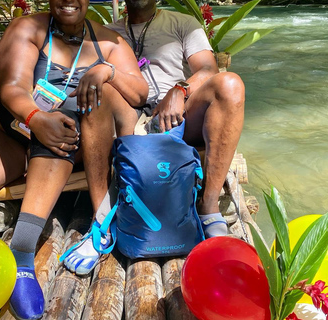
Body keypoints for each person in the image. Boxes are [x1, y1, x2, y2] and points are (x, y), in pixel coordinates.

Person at [0, 0, 148, 319]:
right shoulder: (28, 28)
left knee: (77, 119)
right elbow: (12, 87)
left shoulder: (108, 43)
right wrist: (35, 117)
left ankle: (22, 249)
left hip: (76, 142)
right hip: (16, 132)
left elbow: (139, 95)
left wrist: (108, 70)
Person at [63, 0, 245, 275]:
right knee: (98, 91)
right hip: (129, 115)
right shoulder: (107, 34)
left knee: (230, 85)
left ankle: (208, 209)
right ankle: (100, 221)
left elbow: (208, 70)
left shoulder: (182, 23)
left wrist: (180, 90)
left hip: (178, 114)